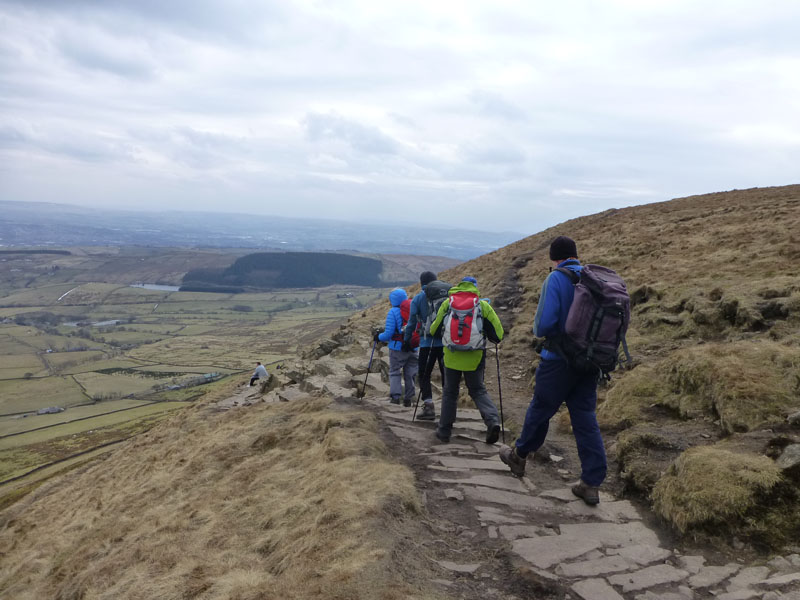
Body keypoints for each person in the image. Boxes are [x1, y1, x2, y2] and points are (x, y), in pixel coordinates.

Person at [499, 235, 607, 505]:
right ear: (575, 254)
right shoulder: (594, 278)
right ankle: (591, 483)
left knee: (541, 409)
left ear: (554, 257)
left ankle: (519, 456)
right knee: (585, 418)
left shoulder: (557, 278)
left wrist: (537, 331)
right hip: (590, 361)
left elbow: (544, 324)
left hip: (559, 360)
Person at [429, 277, 503, 444]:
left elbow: (433, 329)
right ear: (474, 289)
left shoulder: (448, 304)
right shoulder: (483, 306)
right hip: (474, 357)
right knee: (477, 390)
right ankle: (492, 421)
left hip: (451, 356)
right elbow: (498, 335)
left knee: (450, 392)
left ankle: (444, 431)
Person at [403, 271, 445, 420]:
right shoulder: (445, 295)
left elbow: (412, 323)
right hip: (445, 342)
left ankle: (428, 407)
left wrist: (407, 340)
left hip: (427, 343)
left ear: (421, 283)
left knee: (424, 374)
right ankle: (448, 407)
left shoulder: (418, 298)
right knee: (446, 374)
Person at [374, 288, 418, 405]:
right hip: (414, 346)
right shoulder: (414, 308)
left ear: (393, 299)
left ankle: (395, 398)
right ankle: (409, 399)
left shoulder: (393, 312)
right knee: (411, 373)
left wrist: (378, 337)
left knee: (394, 372)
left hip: (397, 348)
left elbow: (388, 334)